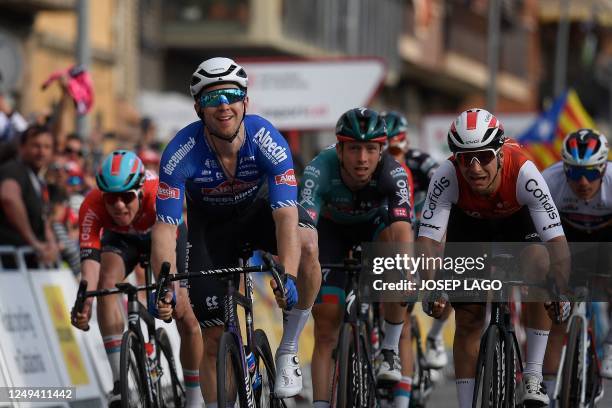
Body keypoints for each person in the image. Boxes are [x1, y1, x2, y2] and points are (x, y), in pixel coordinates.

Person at [151, 57, 321, 404]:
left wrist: (285, 273)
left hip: (260, 213)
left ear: (246, 101)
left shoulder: (266, 139)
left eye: (231, 95)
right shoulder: (180, 153)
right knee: (212, 339)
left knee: (306, 245)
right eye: (213, 99)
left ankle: (288, 348)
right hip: (211, 229)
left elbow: (286, 215)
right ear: (199, 108)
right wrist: (164, 285)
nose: (223, 105)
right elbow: (166, 229)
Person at [417, 108, 571, 408]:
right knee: (468, 318)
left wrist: (560, 291)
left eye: (484, 156)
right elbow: (427, 243)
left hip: (518, 225)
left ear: (500, 154)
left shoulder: (525, 172)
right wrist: (432, 286)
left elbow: (557, 243)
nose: (474, 168)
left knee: (541, 265)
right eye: (465, 158)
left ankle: (533, 374)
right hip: (470, 228)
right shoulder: (446, 175)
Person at [300, 108, 414, 408]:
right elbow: (304, 231)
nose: (362, 158)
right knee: (326, 328)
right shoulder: (319, 168)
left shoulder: (394, 172)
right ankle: (321, 403)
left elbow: (402, 229)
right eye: (353, 148)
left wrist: (404, 271)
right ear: (339, 149)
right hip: (330, 232)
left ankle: (389, 350)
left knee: (397, 259)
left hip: (374, 229)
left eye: (371, 149)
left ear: (382, 151)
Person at [70, 150, 203, 407]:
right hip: (123, 240)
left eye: (126, 197)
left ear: (140, 190)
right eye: (111, 199)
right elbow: (90, 264)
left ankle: (195, 399)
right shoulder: (92, 205)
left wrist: (171, 291)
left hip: (164, 235)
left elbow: (164, 253)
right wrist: (85, 302)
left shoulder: (158, 191)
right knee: (105, 286)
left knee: (185, 314)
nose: (118, 205)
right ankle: (120, 383)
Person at [542, 128, 610, 401]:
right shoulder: (549, 180)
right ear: (564, 168)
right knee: (558, 318)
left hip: (606, 240)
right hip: (566, 239)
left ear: (604, 169)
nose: (583, 181)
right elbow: (537, 232)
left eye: (592, 173)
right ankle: (546, 390)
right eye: (574, 172)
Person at [382, 111, 449, 370]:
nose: (390, 152)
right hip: (394, 226)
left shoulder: (419, 161)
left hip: (422, 226)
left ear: (405, 142)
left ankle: (435, 335)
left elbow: (445, 187)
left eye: (395, 145)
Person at [0, 124, 58, 266]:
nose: (41, 152)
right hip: (9, 263)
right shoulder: (14, 169)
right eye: (36, 146)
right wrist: (34, 243)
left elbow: (43, 219)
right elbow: (9, 198)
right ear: (22, 147)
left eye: (47, 147)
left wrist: (51, 244)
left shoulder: (39, 180)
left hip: (30, 264)